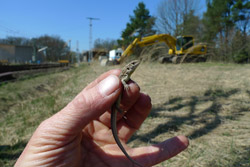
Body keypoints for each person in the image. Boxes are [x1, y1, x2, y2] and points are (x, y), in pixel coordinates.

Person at [15, 69, 189, 167]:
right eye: (133, 65)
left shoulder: (125, 78)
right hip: (116, 107)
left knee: (133, 100)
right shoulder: (122, 77)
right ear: (128, 70)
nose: (136, 66)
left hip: (117, 107)